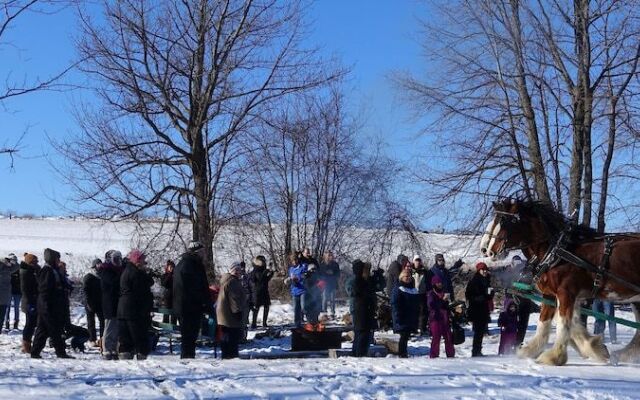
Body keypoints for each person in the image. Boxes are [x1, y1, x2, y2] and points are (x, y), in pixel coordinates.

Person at [30, 248, 74, 359]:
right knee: (54, 329)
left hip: (50, 305)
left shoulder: (53, 270)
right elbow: (44, 290)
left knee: (43, 330)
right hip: (48, 306)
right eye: (57, 258)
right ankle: (60, 352)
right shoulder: (47, 271)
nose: (59, 260)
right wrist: (47, 305)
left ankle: (35, 352)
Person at [173, 241, 210, 359]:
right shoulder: (191, 265)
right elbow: (195, 287)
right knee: (189, 335)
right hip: (189, 307)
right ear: (197, 252)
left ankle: (188, 356)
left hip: (184, 306)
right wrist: (203, 302)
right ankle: (187, 357)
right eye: (202, 251)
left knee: (189, 336)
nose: (204, 254)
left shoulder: (183, 263)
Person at [117, 249, 154, 360]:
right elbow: (143, 291)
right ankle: (142, 359)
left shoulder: (126, 271)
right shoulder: (136, 273)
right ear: (137, 261)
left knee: (125, 340)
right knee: (139, 337)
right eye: (143, 260)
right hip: (134, 310)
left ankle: (125, 361)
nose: (145, 263)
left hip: (123, 310)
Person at [216, 262, 247, 359]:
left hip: (223, 315)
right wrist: (237, 312)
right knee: (231, 338)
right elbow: (234, 299)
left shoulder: (226, 280)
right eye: (236, 270)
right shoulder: (233, 282)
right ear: (232, 271)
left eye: (239, 270)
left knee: (226, 336)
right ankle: (231, 357)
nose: (238, 272)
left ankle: (226, 355)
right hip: (230, 315)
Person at [98, 250, 124, 360]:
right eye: (116, 259)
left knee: (116, 328)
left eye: (119, 259)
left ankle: (113, 348)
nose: (118, 261)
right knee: (109, 327)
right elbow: (114, 283)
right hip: (110, 303)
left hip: (116, 302)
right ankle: (107, 349)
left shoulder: (117, 270)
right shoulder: (105, 270)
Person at [465, 262, 494, 357]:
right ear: (479, 270)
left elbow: (489, 295)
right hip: (476, 309)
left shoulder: (487, 280)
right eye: (483, 270)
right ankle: (475, 351)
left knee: (481, 331)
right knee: (478, 331)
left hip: (484, 308)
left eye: (486, 269)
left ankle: (478, 350)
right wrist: (483, 297)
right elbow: (469, 295)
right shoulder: (474, 281)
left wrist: (491, 294)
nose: (485, 271)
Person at [391, 269, 419, 358]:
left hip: (410, 317)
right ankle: (401, 354)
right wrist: (397, 315)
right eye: (406, 276)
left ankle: (404, 353)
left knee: (406, 336)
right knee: (402, 337)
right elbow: (395, 303)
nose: (408, 278)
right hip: (401, 316)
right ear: (401, 277)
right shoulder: (398, 288)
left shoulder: (412, 289)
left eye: (409, 276)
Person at [351, 260, 377, 357]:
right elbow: (363, 294)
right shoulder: (359, 281)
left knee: (360, 333)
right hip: (362, 310)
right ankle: (360, 354)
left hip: (364, 310)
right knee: (362, 333)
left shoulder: (362, 281)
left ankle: (357, 353)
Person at [427, 275, 455, 358]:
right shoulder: (431, 294)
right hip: (435, 318)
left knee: (449, 337)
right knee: (436, 337)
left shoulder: (444, 293)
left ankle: (450, 354)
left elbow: (446, 306)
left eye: (440, 283)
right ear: (434, 284)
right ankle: (434, 355)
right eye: (438, 283)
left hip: (445, 318)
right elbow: (431, 305)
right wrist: (442, 301)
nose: (440, 284)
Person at [19, 253, 40, 353]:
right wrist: (31, 301)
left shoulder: (32, 271)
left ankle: (27, 343)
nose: (36, 264)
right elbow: (26, 289)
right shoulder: (26, 272)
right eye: (34, 262)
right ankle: (26, 344)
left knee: (32, 324)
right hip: (29, 302)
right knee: (29, 324)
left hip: (33, 301)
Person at [83, 258, 104, 348]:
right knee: (91, 321)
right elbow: (86, 291)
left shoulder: (102, 276)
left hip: (100, 302)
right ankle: (92, 339)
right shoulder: (89, 277)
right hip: (90, 302)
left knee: (102, 321)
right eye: (98, 264)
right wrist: (88, 302)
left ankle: (102, 339)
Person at [249, 255, 273, 328]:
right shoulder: (255, 269)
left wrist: (271, 273)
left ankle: (264, 323)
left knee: (267, 306)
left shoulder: (264, 269)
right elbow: (260, 278)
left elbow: (266, 279)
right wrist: (267, 271)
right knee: (256, 307)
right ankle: (253, 323)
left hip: (264, 290)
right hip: (257, 292)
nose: (263, 262)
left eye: (264, 261)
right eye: (262, 261)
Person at [287, 252, 308, 328]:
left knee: (304, 307)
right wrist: (288, 280)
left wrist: (298, 278)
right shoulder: (291, 269)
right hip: (295, 291)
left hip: (303, 290)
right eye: (293, 260)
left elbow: (305, 276)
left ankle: (310, 319)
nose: (294, 262)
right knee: (296, 309)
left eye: (295, 260)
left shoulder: (303, 266)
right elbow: (291, 278)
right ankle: (297, 325)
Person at [0, 254, 20, 333]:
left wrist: (11, 260)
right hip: (4, 297)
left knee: (1, 318)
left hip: (4, 298)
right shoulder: (6, 269)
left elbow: (17, 266)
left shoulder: (7, 269)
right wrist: (2, 260)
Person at [319, 251, 340, 317]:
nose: (330, 257)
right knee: (324, 298)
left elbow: (338, 274)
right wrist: (326, 274)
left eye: (331, 255)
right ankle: (324, 312)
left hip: (333, 284)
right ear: (325, 256)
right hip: (325, 284)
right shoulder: (322, 265)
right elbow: (319, 275)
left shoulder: (335, 264)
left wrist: (333, 274)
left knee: (332, 299)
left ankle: (332, 313)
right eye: (329, 255)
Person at [411, 255, 429, 335]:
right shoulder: (410, 270)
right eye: (416, 260)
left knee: (423, 312)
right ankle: (413, 328)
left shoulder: (425, 271)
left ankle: (422, 328)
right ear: (413, 261)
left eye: (419, 260)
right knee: (413, 312)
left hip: (422, 293)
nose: (418, 262)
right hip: (412, 293)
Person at [160, 260, 177, 324]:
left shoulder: (176, 275)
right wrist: (169, 274)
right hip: (167, 296)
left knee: (174, 313)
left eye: (172, 266)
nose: (171, 268)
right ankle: (165, 325)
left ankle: (174, 326)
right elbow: (164, 284)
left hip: (175, 296)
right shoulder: (164, 275)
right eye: (170, 266)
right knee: (166, 312)